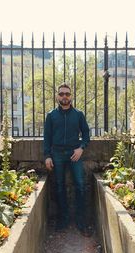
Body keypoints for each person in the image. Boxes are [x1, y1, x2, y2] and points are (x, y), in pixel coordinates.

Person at [44, 82, 90, 235]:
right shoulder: (51, 115)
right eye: (62, 94)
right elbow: (47, 138)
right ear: (57, 96)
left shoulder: (78, 114)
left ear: (71, 96)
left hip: (74, 154)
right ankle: (63, 220)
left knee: (80, 185)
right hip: (56, 154)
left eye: (67, 94)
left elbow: (86, 135)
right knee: (59, 186)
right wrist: (47, 156)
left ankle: (81, 221)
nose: (64, 96)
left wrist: (81, 148)